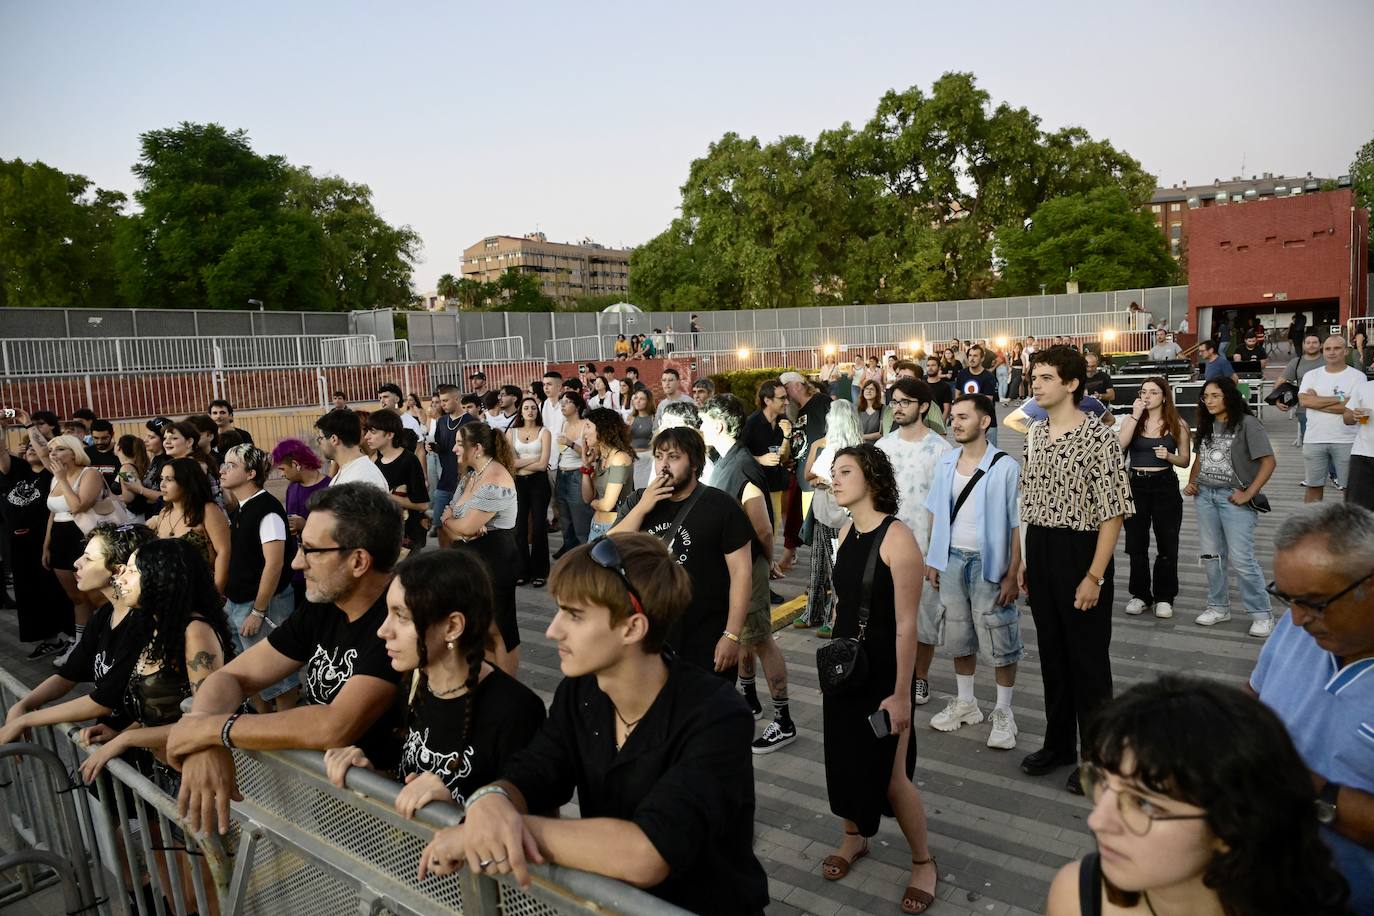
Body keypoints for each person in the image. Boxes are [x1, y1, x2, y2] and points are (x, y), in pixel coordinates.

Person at [417, 533, 769, 914]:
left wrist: (501, 830)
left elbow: (647, 853)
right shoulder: (580, 693)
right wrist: (493, 800)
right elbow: (536, 771)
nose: (552, 630)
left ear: (632, 628)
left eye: (574, 615)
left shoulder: (716, 714)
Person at [167, 483, 405, 837]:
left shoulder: (398, 622)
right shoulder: (324, 607)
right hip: (341, 800)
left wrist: (212, 730)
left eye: (311, 551)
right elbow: (233, 677)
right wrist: (204, 738)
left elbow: (334, 724)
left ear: (358, 561)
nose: (296, 562)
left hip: (398, 816)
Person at [1046, 675, 1352, 916]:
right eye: (1102, 783)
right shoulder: (1077, 895)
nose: (1098, 820)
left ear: (1231, 825)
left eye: (1144, 802)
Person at [324, 550, 546, 816]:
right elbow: (403, 779)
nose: (383, 630)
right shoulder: (412, 684)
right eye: (387, 613)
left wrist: (454, 812)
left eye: (402, 616)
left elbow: (536, 828)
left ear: (452, 627)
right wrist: (367, 775)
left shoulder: (515, 711)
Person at [819, 444, 938, 914]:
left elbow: (908, 625)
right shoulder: (847, 529)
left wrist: (901, 695)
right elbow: (841, 598)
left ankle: (924, 862)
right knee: (843, 759)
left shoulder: (897, 538)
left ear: (871, 478)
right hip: (846, 669)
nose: (835, 479)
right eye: (834, 472)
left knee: (892, 777)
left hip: (884, 675)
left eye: (845, 471)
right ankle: (854, 838)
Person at [1018, 346, 1134, 794]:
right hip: (1042, 548)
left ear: (1071, 384)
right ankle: (1059, 744)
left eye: (1046, 377)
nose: (1036, 384)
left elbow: (1113, 513)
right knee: (1052, 655)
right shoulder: (1033, 433)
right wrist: (1025, 561)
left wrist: (1095, 576)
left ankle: (1098, 759)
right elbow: (1027, 504)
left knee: (1088, 662)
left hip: (1081, 550)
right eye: (1034, 377)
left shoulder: (1098, 438)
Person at [1253, 503, 1374, 908]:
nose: (1298, 619)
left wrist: (1305, 788)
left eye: (1315, 602)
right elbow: (1255, 696)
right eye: (1286, 598)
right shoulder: (1297, 625)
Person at [77, 537, 236, 797]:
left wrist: (124, 740)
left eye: (133, 571)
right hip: (169, 773)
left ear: (161, 579)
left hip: (201, 778)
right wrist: (121, 732)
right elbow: (167, 711)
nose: (120, 579)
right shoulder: (155, 628)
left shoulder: (196, 633)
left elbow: (206, 722)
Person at [922, 394, 1024, 749]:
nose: (956, 422)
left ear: (984, 422)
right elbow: (935, 511)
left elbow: (1016, 525)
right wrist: (934, 558)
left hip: (989, 565)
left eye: (964, 417)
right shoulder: (947, 462)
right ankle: (967, 703)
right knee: (958, 633)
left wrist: (1013, 573)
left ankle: (1003, 712)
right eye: (954, 417)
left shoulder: (1005, 467)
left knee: (1000, 636)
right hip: (951, 560)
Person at [699, 395, 798, 753]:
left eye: (704, 421)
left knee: (760, 640)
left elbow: (764, 528)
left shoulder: (740, 466)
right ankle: (751, 701)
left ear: (720, 426)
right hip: (736, 565)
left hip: (750, 567)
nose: (700, 427)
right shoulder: (726, 460)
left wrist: (769, 561)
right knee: (744, 636)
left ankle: (784, 720)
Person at [611, 427, 750, 678]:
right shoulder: (638, 502)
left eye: (674, 457)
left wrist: (731, 634)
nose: (664, 465)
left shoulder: (721, 506)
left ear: (695, 463)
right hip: (650, 634)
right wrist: (643, 508)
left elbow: (741, 574)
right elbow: (607, 548)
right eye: (659, 456)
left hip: (705, 634)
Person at [1, 523, 155, 741]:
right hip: (109, 739)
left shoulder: (142, 624)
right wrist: (24, 705)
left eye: (89, 559)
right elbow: (69, 674)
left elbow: (101, 702)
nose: (76, 563)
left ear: (119, 569)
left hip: (138, 747)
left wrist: (26, 720)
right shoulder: (105, 615)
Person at [877, 378, 952, 706]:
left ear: (923, 406)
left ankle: (920, 678)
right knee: (886, 617)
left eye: (905, 401)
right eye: (894, 401)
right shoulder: (882, 448)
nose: (898, 407)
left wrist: (936, 555)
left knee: (924, 620)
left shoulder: (942, 450)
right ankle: (894, 677)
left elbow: (944, 508)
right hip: (886, 548)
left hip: (924, 550)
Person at [1183, 376, 1276, 636]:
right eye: (1206, 396)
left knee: (1242, 558)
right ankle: (1218, 607)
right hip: (1206, 497)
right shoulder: (1206, 425)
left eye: (1215, 396)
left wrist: (1249, 494)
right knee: (1212, 557)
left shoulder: (1247, 424)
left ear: (1229, 397)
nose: (1209, 401)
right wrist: (1192, 483)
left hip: (1234, 498)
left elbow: (1268, 462)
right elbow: (1200, 460)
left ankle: (1261, 613)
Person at [220, 444, 300, 711]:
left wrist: (258, 610)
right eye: (224, 464)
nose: (223, 470)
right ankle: (262, 725)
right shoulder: (242, 507)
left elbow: (275, 563)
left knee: (277, 675)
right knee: (247, 672)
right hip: (239, 601)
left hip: (264, 603)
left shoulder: (266, 509)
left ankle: (285, 733)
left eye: (231, 466)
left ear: (251, 473)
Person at [441, 422, 522, 675]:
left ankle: (508, 688)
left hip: (495, 560)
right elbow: (456, 524)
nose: (454, 449)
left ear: (476, 448)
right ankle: (488, 678)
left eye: (458, 443)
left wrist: (453, 523)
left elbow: (461, 525)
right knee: (479, 625)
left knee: (500, 628)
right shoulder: (470, 476)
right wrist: (456, 525)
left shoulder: (496, 477)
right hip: (470, 561)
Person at [1116, 378, 1190, 620]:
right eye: (1143, 391)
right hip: (1136, 485)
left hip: (1165, 486)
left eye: (1153, 392)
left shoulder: (1177, 423)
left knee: (1167, 544)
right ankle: (1140, 595)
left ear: (1164, 397)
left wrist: (1168, 455)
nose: (1147, 396)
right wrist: (1136, 414)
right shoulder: (1132, 420)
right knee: (1136, 544)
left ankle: (1164, 597)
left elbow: (1185, 460)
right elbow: (1119, 447)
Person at [0, 425, 74, 657]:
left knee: (56, 592)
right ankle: (51, 640)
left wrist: (29, 426)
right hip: (19, 545)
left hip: (45, 543)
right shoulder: (20, 470)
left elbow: (45, 452)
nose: (32, 449)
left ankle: (71, 636)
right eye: (28, 446)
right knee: (29, 595)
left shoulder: (52, 475)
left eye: (36, 446)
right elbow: (1, 454)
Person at [797, 398, 865, 635]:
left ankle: (836, 616)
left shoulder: (856, 450)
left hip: (843, 515)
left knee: (838, 567)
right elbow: (808, 476)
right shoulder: (823, 445)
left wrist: (827, 480)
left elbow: (844, 481)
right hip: (822, 511)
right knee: (817, 565)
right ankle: (813, 611)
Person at [40, 433, 109, 664]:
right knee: (75, 597)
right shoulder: (54, 477)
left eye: (59, 449)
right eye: (51, 451)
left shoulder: (89, 473)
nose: (53, 454)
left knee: (95, 595)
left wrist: (63, 479)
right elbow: (53, 513)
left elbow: (78, 506)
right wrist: (46, 544)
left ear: (73, 452)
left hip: (82, 536)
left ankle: (105, 640)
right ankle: (81, 644)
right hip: (59, 537)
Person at [1299, 336, 1364, 502]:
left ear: (1346, 351)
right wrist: (1343, 400)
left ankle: (1349, 526)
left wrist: (1317, 401)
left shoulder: (1357, 377)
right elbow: (1304, 401)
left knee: (1350, 489)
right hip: (1314, 439)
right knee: (1313, 487)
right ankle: (1313, 527)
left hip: (1347, 439)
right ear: (1323, 351)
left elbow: (1353, 408)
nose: (1332, 352)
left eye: (1337, 348)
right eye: (1328, 349)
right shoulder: (1311, 375)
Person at [152, 457, 231, 592]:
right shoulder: (164, 513)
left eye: (169, 479)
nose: (162, 485)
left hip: (201, 591)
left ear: (187, 482)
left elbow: (224, 552)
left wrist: (217, 593)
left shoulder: (208, 510)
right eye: (162, 478)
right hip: (168, 593)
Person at [271, 438, 330, 607]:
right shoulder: (292, 487)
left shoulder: (328, 487)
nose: (282, 474)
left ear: (296, 464)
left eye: (283, 469)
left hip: (319, 571)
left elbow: (335, 531)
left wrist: (305, 526)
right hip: (296, 570)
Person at [364, 410, 429, 555]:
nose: (367, 436)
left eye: (373, 432)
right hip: (385, 533)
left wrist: (386, 496)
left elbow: (422, 504)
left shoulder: (409, 461)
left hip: (407, 536)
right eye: (367, 431)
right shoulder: (376, 462)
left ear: (389, 434)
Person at [508, 396, 552, 588]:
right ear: (521, 411)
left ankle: (540, 572)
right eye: (526, 408)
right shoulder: (512, 432)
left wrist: (522, 463)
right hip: (519, 483)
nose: (530, 411)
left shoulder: (544, 432)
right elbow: (510, 463)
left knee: (539, 527)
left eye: (533, 408)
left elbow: (543, 466)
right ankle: (521, 571)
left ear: (537, 411)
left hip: (539, 483)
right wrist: (532, 459)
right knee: (519, 528)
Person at [580, 408, 634, 544]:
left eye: (588, 426)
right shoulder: (601, 457)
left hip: (615, 528)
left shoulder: (619, 458)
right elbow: (587, 497)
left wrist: (594, 503)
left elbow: (607, 505)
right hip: (596, 525)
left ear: (603, 429)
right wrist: (586, 468)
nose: (584, 432)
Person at [552, 390, 592, 556]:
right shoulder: (564, 424)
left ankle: (586, 557)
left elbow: (589, 454)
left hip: (577, 474)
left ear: (577, 406)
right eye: (561, 402)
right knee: (565, 520)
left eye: (567, 402)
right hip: (562, 473)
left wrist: (569, 443)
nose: (562, 405)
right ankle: (570, 557)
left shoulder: (586, 424)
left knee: (580, 520)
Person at [316, 410, 389, 493]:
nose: (318, 443)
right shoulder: (350, 470)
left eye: (320, 438)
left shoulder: (363, 477)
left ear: (334, 439)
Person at [430, 385, 465, 544]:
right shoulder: (442, 421)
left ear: (457, 399)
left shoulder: (470, 421)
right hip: (445, 479)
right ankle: (445, 560)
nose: (442, 404)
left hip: (464, 481)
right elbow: (442, 447)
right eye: (440, 401)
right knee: (439, 523)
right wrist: (434, 447)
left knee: (460, 526)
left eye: (445, 400)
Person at [1279, 332, 1327, 448]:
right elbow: (1280, 383)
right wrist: (1278, 401)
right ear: (1303, 345)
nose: (1311, 345)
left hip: (1330, 409)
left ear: (1321, 345)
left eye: (1315, 342)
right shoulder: (1296, 362)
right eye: (1308, 343)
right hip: (1305, 411)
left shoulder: (1329, 360)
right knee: (1311, 449)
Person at [952, 344, 1000, 445]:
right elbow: (957, 396)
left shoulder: (989, 377)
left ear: (982, 358)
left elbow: (987, 402)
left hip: (986, 424)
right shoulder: (962, 374)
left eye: (975, 356)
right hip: (966, 423)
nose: (972, 358)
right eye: (970, 355)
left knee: (989, 455)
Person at [1345, 371, 1374, 510]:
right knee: (1357, 510)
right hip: (1363, 455)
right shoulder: (1364, 387)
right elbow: (1347, 418)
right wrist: (1354, 415)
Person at [626, 387, 656, 489]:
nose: (637, 401)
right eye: (636, 398)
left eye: (642, 399)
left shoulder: (653, 418)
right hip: (630, 457)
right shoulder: (630, 418)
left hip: (646, 458)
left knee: (642, 488)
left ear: (648, 401)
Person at [924, 357, 955, 425]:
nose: (930, 368)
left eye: (933, 365)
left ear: (939, 367)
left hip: (938, 422)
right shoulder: (921, 384)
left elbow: (947, 409)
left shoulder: (945, 386)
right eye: (928, 365)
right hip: (922, 423)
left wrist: (941, 424)